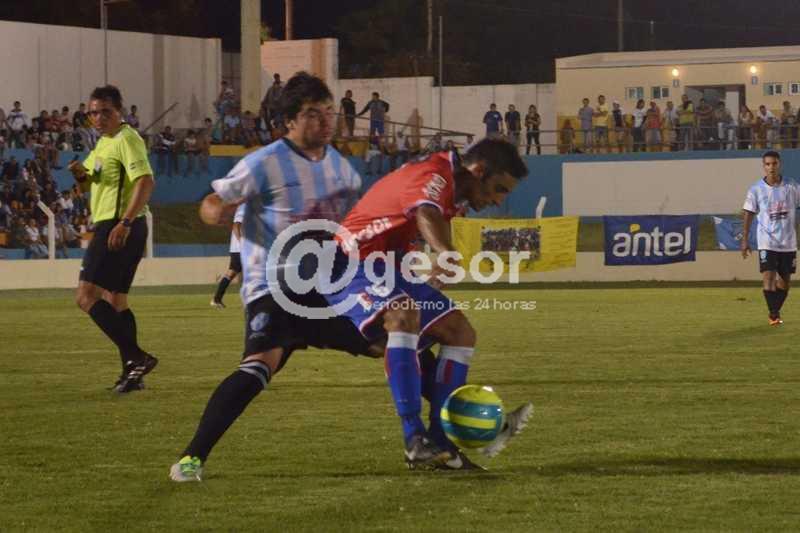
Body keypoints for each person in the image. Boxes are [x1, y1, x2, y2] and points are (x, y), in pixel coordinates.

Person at [169, 72, 380, 482]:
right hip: (275, 289)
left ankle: (434, 439)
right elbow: (212, 201)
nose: (325, 120)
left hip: (326, 289)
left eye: (328, 111)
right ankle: (192, 457)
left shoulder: (342, 169)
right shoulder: (264, 162)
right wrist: (216, 212)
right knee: (257, 368)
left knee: (395, 343)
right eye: (312, 113)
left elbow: (351, 227)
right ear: (289, 121)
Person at [323, 138, 534, 469]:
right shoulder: (435, 174)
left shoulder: (450, 188)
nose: (497, 200)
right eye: (498, 189)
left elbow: (428, 215)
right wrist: (446, 253)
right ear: (479, 171)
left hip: (389, 267)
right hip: (351, 261)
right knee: (402, 316)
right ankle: (415, 439)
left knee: (460, 332)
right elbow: (425, 211)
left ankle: (442, 443)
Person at [67, 85, 157, 393]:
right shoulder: (103, 144)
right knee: (115, 300)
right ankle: (133, 373)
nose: (99, 118)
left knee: (85, 296)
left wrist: (125, 222)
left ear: (119, 111)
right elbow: (88, 183)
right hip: (119, 224)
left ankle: (137, 357)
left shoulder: (126, 138)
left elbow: (145, 181)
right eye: (93, 113)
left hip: (118, 225)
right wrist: (79, 173)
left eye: (105, 111)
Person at [741, 151, 800, 326]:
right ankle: (774, 315)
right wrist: (745, 239)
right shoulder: (756, 189)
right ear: (764, 166)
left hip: (788, 242)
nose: (771, 167)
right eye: (768, 164)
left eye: (774, 163)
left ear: (779, 164)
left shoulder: (792, 186)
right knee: (768, 276)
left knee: (785, 282)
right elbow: (748, 213)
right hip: (767, 241)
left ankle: (774, 311)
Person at [211, 204, 245, 308]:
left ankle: (216, 299)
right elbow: (236, 226)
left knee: (231, 273)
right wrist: (242, 242)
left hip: (237, 249)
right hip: (241, 249)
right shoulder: (244, 207)